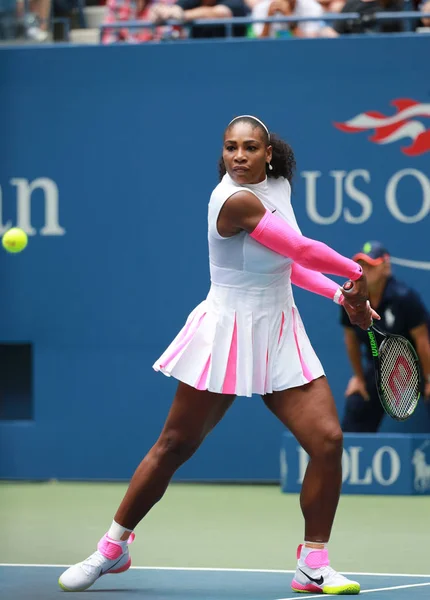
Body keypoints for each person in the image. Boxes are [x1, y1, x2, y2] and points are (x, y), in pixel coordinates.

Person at [58, 115, 376, 595]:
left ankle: (313, 562)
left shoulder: (278, 186)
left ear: (269, 153)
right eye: (231, 148)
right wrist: (357, 274)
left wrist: (340, 297)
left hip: (280, 329)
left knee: (328, 441)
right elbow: (303, 249)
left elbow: (286, 265)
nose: (240, 156)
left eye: (250, 147)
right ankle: (113, 546)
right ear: (223, 155)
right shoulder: (234, 200)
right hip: (228, 329)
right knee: (175, 445)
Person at [341, 241, 430, 433]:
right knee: (357, 401)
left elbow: (423, 341)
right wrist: (358, 378)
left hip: (420, 365)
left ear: (385, 267)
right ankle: (349, 459)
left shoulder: (404, 297)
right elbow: (351, 339)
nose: (364, 271)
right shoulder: (352, 299)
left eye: (370, 266)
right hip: (381, 368)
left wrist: (429, 379)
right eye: (361, 266)